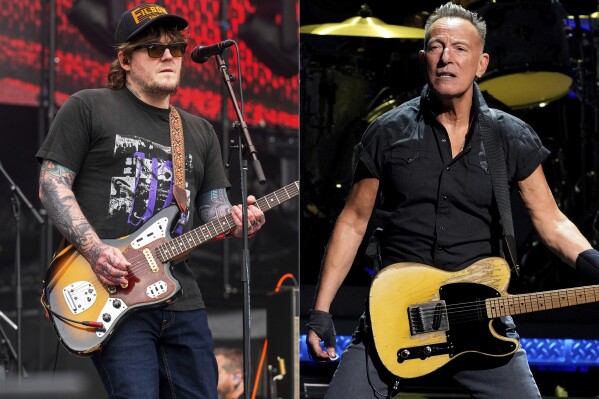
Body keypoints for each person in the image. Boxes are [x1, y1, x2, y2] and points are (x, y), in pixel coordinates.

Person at [305, 2, 599, 398]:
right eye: (436, 46)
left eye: (460, 48)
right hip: (398, 313)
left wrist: (593, 262)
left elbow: (552, 220)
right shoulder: (388, 131)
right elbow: (353, 221)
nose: (447, 57)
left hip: (480, 314)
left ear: (481, 63)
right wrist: (322, 311)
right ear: (423, 57)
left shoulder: (509, 136)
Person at [37, 3, 265, 398]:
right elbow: (51, 185)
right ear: (125, 58)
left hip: (180, 296)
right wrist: (95, 252)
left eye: (176, 48)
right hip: (114, 289)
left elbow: (211, 210)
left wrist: (235, 218)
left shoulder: (198, 131)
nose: (167, 56)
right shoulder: (89, 107)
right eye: (153, 48)